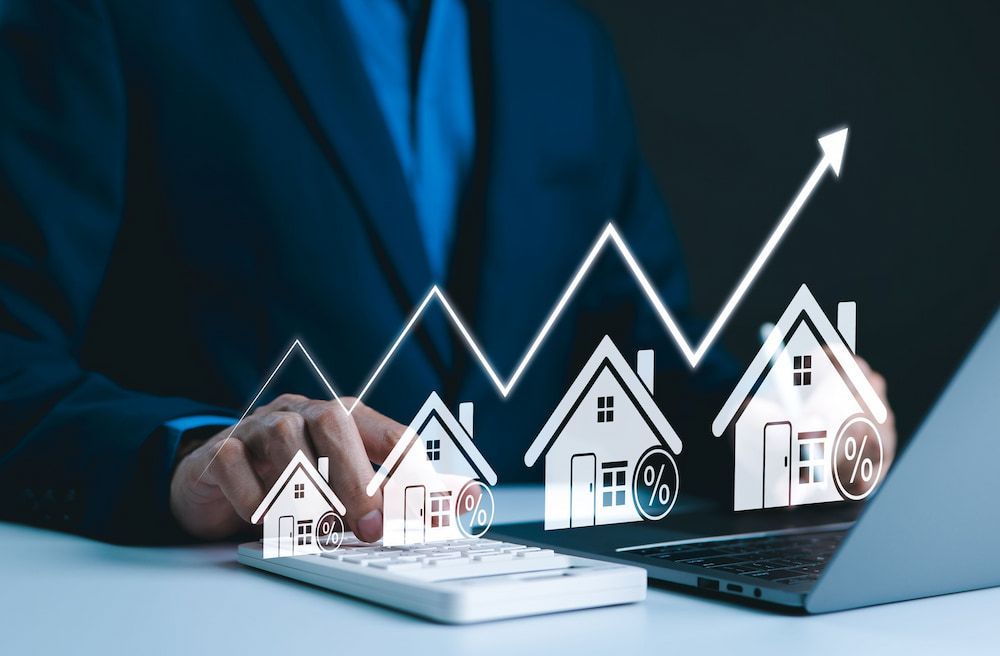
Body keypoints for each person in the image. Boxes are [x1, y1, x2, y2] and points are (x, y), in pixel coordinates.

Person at [0, 0, 893, 545]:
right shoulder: (105, 11)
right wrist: (195, 457)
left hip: (545, 612)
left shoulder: (563, 45)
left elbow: (635, 359)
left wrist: (780, 430)